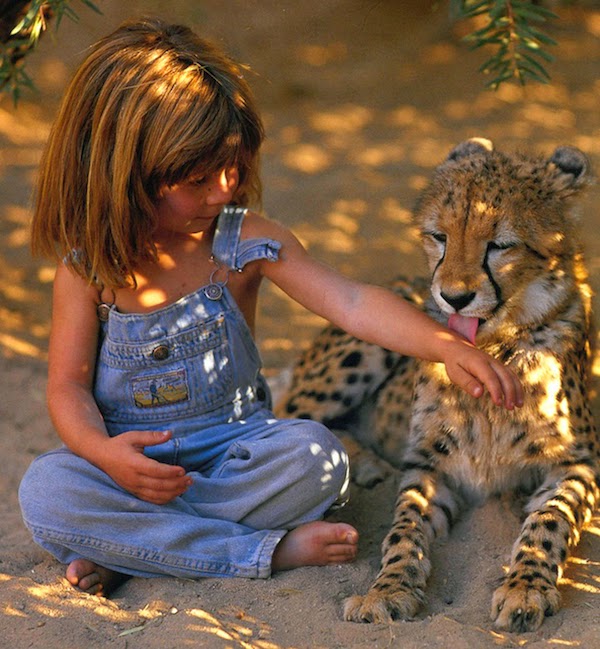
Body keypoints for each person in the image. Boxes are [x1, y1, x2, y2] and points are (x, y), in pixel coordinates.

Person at [18, 17, 523, 598]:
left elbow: (351, 301)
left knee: (318, 459)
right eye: (199, 177)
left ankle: (139, 549)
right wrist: (103, 454)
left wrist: (442, 344)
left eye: (234, 167)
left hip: (237, 454)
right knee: (48, 489)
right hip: (127, 470)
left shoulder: (245, 241)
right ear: (121, 173)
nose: (225, 190)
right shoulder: (88, 270)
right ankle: (259, 550)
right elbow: (68, 388)